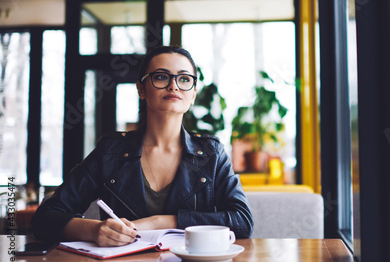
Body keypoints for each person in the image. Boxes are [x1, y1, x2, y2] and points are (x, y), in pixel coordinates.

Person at [31, 46, 253, 246]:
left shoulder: (211, 153)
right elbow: (45, 218)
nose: (173, 85)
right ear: (141, 89)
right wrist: (94, 230)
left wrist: (160, 221)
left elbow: (243, 222)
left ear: (193, 94)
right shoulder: (110, 152)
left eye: (184, 79)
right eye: (160, 76)